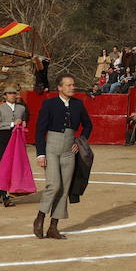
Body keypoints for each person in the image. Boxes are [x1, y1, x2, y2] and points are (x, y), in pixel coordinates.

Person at [34, 75, 91, 239]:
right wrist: (41, 153)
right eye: (68, 85)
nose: (72, 87)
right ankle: (40, 217)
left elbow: (88, 125)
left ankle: (53, 227)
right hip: (51, 147)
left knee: (65, 188)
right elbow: (40, 130)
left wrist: (79, 141)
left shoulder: (78, 104)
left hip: (69, 151)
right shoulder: (49, 104)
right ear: (60, 87)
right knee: (54, 185)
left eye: (73, 85)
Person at [0, 88, 28, 206]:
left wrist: (23, 123)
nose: (12, 95)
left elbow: (26, 121)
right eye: (9, 93)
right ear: (5, 95)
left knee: (13, 166)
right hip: (3, 139)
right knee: (2, 166)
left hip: (16, 139)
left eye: (14, 93)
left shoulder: (22, 108)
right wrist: (12, 124)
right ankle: (5, 196)